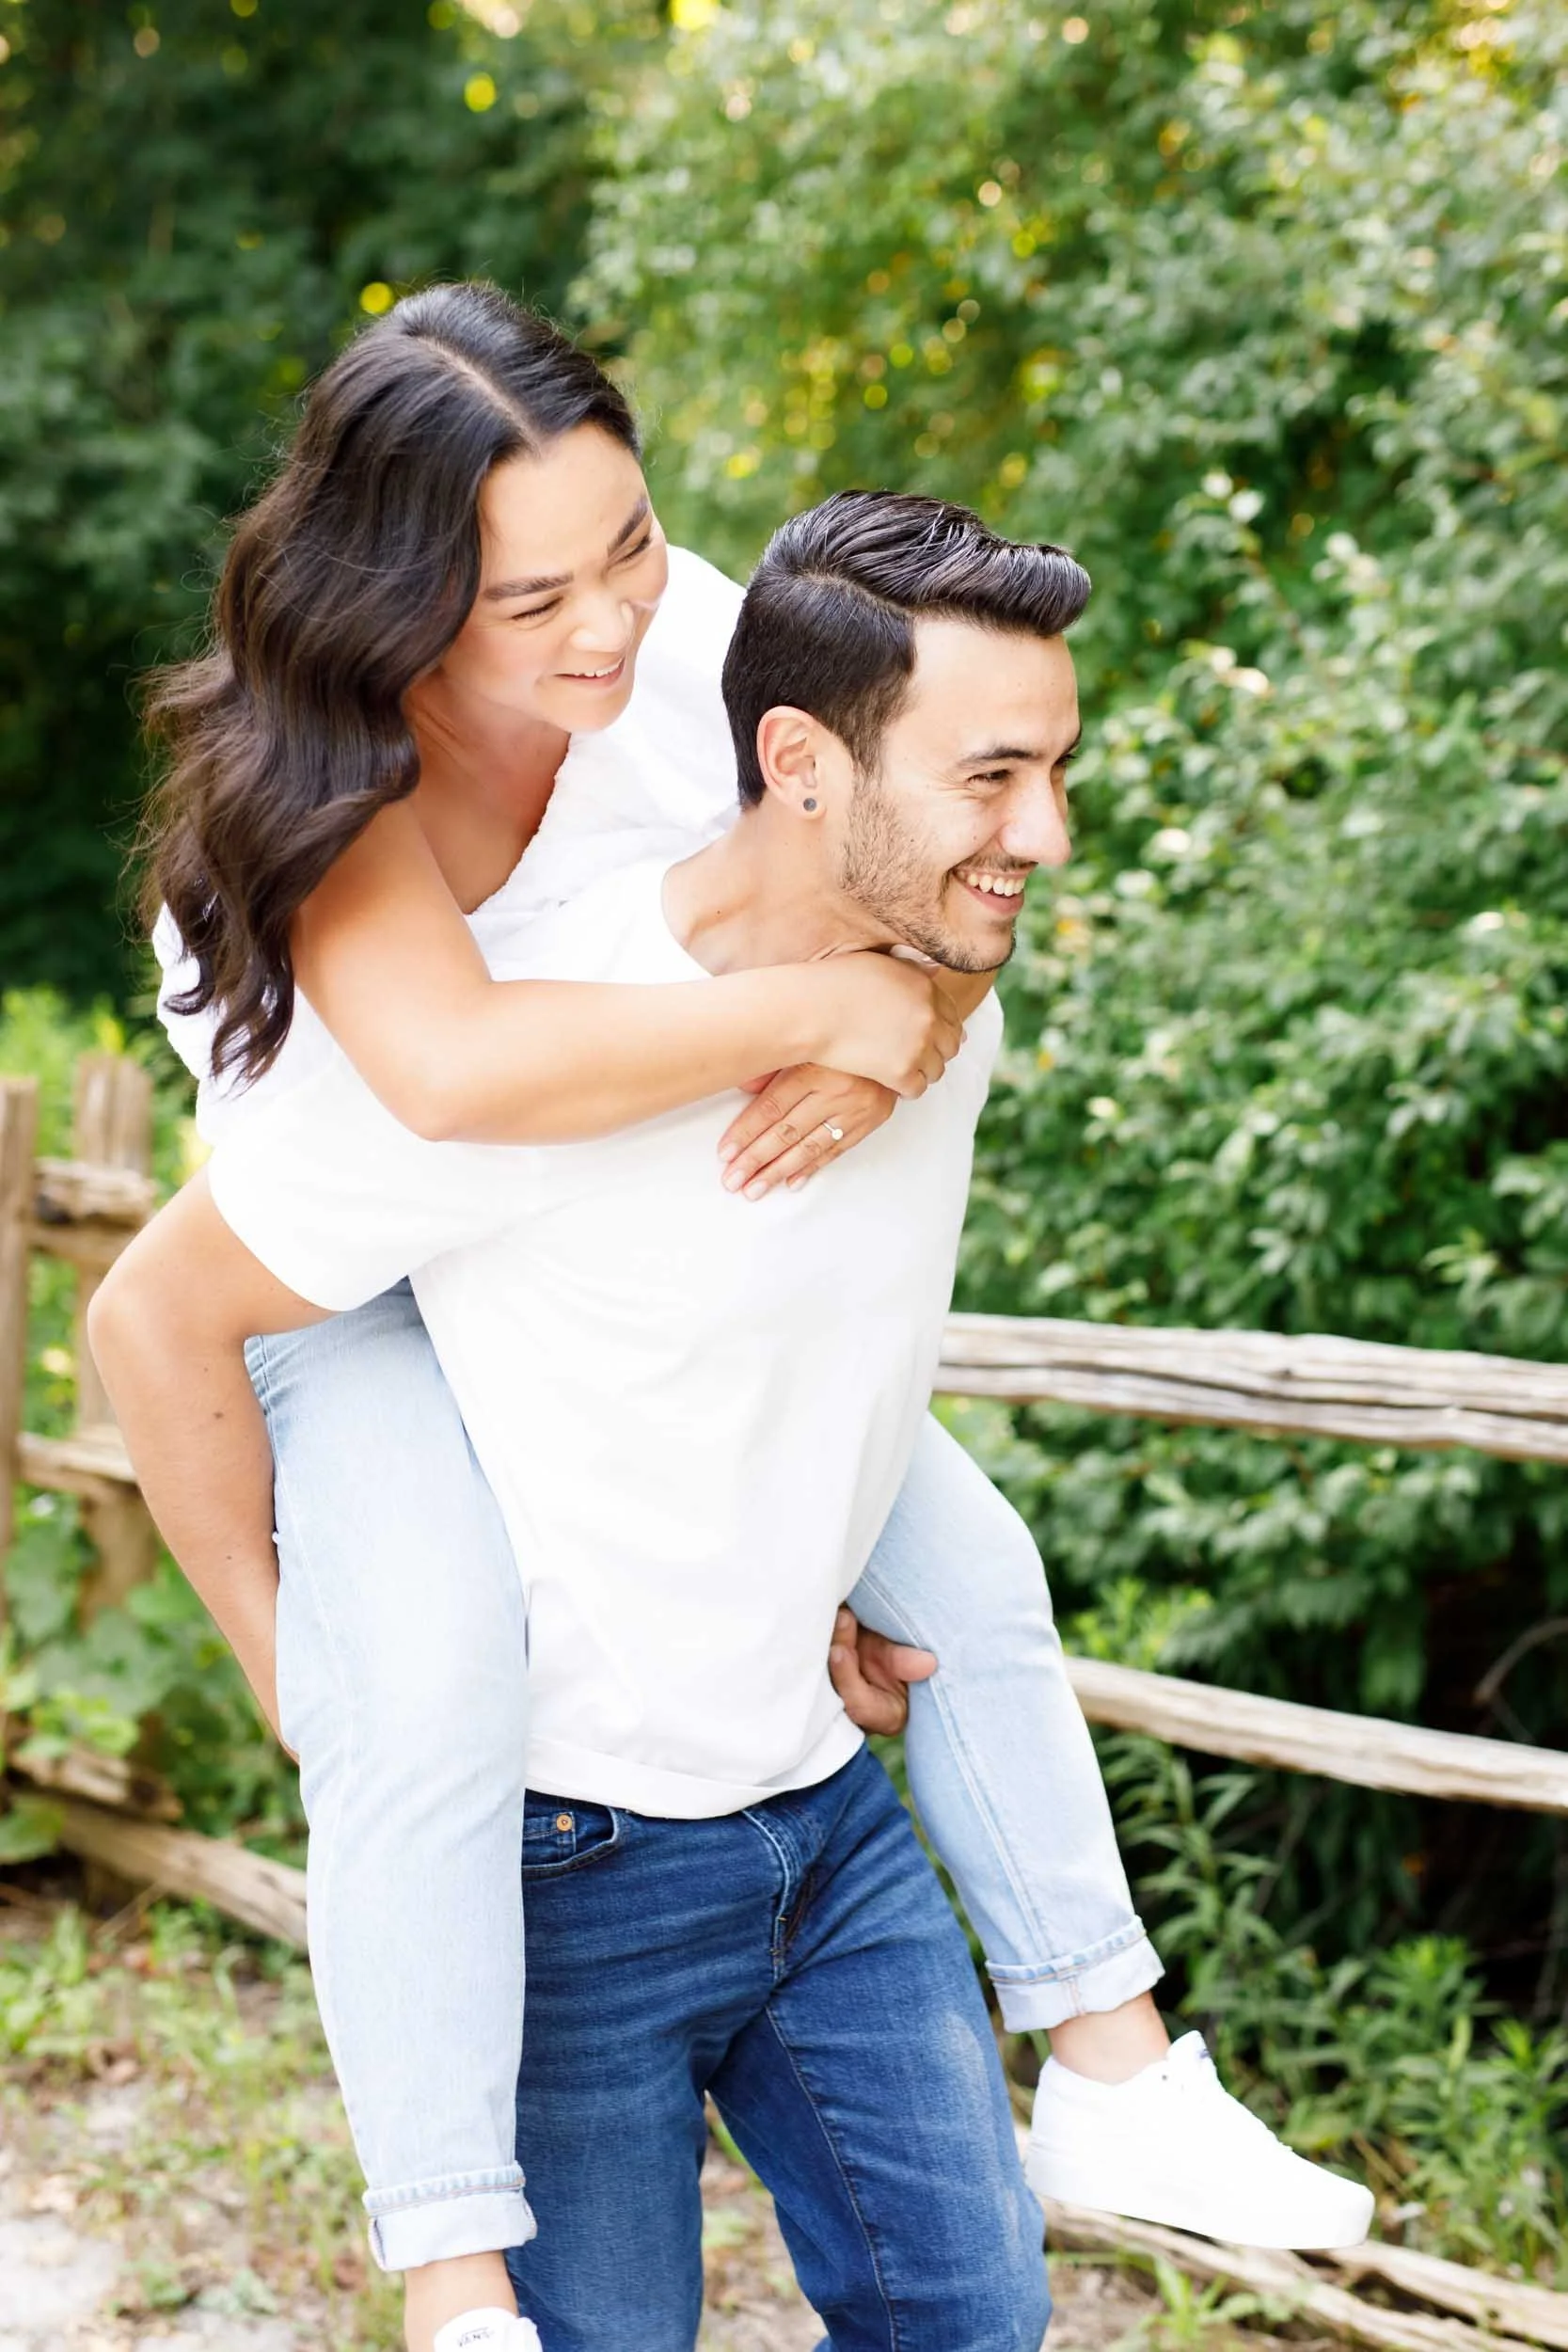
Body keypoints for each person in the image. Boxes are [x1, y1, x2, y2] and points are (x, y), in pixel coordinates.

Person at [95, 294, 1373, 2352]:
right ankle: (451, 2261)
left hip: (583, 1203)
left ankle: (1118, 2062)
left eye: (629, 539)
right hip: (356, 1266)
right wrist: (293, 1672)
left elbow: (893, 839)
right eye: (532, 594)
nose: (612, 619)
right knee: (420, 1686)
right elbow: (455, 1080)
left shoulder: (678, 636)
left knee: (961, 1550)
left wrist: (901, 1025)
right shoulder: (332, 787)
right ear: (398, 599)